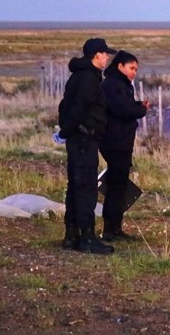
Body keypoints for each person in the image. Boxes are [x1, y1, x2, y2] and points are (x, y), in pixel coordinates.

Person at [58, 38, 117, 255]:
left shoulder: (81, 76)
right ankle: (87, 238)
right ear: (97, 55)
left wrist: (66, 132)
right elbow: (75, 110)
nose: (108, 57)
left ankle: (72, 235)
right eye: (105, 54)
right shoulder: (87, 79)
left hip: (79, 140)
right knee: (85, 188)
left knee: (75, 186)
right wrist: (70, 131)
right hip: (84, 141)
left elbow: (66, 106)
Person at [100, 50, 149, 241]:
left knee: (119, 184)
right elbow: (122, 109)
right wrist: (141, 109)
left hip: (120, 141)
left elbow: (125, 106)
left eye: (136, 69)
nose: (134, 72)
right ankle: (111, 230)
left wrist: (137, 106)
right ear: (120, 66)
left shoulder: (119, 84)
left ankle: (114, 227)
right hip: (115, 141)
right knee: (116, 185)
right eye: (131, 68)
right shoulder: (114, 84)